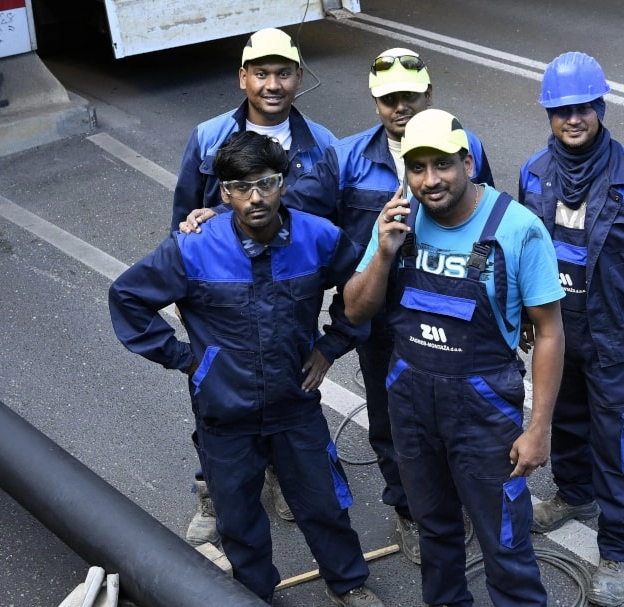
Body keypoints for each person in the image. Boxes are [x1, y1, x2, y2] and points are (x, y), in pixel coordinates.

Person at [184, 48, 494, 566]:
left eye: (409, 96)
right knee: (392, 421)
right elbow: (285, 205)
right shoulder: (346, 158)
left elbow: (488, 222)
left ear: (429, 94)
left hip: (450, 312)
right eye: (389, 98)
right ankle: (411, 511)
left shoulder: (465, 146)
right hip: (383, 317)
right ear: (375, 102)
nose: (400, 106)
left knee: (457, 414)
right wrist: (216, 213)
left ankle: (454, 499)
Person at [110, 132, 390, 607]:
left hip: (294, 403)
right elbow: (128, 298)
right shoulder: (195, 246)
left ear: (283, 184)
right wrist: (187, 360)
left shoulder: (318, 237)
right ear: (224, 192)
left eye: (266, 183)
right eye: (241, 187)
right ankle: (257, 599)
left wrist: (331, 347)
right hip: (225, 410)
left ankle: (348, 583)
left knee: (322, 504)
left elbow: (362, 290)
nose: (255, 197)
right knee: (237, 517)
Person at [344, 109, 568, 607]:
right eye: (417, 167)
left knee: (503, 533)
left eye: (442, 164)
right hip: (412, 400)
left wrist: (539, 427)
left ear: (468, 162)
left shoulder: (516, 228)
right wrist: (383, 253)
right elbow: (357, 311)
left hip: (484, 408)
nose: (430, 179)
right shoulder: (397, 221)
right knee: (433, 520)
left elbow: (550, 332)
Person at [519, 52, 624, 607]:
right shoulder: (534, 174)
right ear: (549, 113)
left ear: (600, 107)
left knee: (619, 438)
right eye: (561, 109)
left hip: (615, 333)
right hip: (557, 331)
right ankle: (575, 494)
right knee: (567, 418)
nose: (573, 118)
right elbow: (527, 250)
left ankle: (618, 546)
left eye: (584, 107)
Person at [171, 27, 338, 545]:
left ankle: (283, 473)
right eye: (261, 73)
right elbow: (183, 220)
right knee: (215, 397)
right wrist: (184, 296)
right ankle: (213, 486)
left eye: (283, 73)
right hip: (221, 300)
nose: (272, 84)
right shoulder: (208, 136)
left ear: (299, 77)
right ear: (242, 77)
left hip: (288, 300)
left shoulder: (324, 146)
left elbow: (333, 230)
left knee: (291, 386)